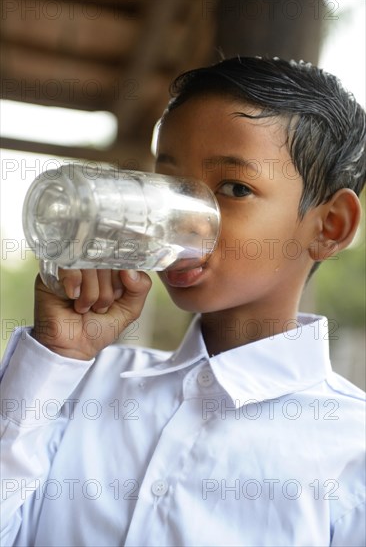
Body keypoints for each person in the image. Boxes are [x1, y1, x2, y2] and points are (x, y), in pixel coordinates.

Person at [1, 57, 365, 546]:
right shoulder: (77, 383)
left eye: (235, 188)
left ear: (329, 226)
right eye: (170, 183)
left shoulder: (351, 447)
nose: (183, 221)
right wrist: (55, 357)